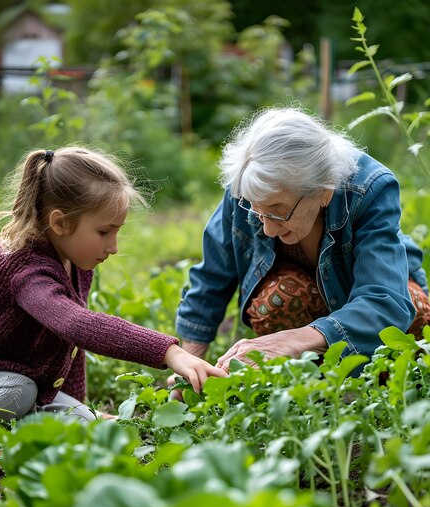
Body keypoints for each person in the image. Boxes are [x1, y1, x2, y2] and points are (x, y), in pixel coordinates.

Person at [175, 106, 430, 371]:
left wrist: (292, 341)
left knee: (414, 310)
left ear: (324, 191)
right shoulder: (248, 186)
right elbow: (212, 276)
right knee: (276, 301)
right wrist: (190, 365)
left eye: (278, 212)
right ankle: (312, 384)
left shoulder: (369, 188)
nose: (269, 230)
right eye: (257, 211)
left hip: (364, 303)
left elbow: (384, 300)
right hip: (306, 300)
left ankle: (377, 380)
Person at [0, 146, 225, 422]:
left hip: (24, 381)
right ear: (60, 223)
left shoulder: (73, 259)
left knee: (90, 421)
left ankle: (27, 422)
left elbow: (71, 346)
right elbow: (76, 324)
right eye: (104, 232)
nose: (113, 247)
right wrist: (170, 352)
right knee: (18, 393)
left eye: (117, 231)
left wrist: (80, 406)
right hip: (9, 382)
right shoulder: (27, 271)